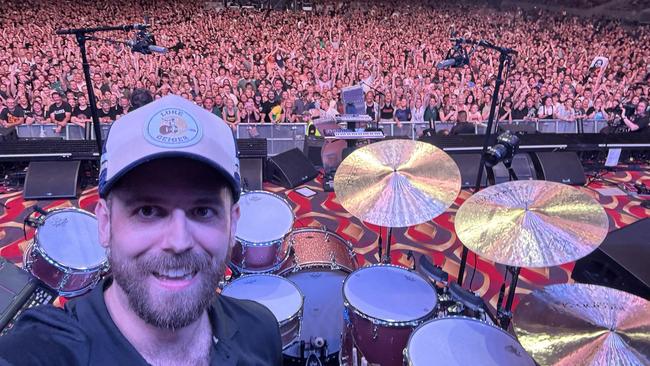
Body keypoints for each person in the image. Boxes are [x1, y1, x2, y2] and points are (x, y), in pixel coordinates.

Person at [0, 95, 283, 365]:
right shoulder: (42, 351)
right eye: (147, 211)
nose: (178, 241)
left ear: (233, 224)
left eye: (202, 211)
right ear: (105, 223)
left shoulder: (260, 332)